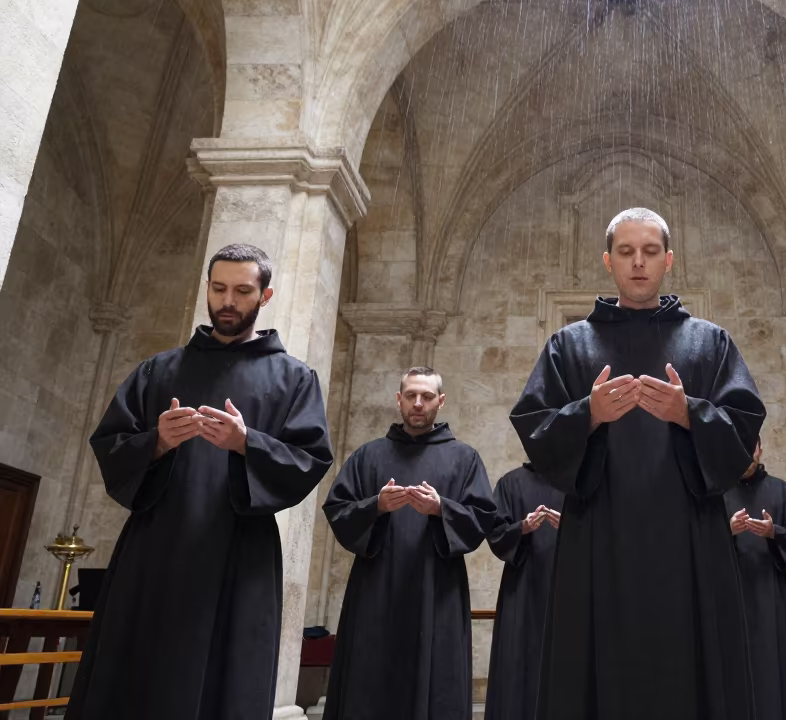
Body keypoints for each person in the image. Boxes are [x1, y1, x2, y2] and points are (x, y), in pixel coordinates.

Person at [510, 207, 766, 720]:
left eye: (650, 252)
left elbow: (746, 425)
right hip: (598, 533)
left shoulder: (709, 342)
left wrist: (689, 413)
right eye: (626, 252)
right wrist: (589, 413)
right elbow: (533, 427)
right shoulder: (569, 344)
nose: (639, 263)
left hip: (689, 536)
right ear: (608, 261)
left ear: (669, 260)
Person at [69, 244, 333, 720]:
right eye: (218, 288)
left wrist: (248, 443)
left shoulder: (295, 379)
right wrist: (156, 442)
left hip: (239, 550)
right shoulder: (158, 370)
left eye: (242, 290)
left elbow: (310, 458)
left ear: (265, 295)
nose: (228, 300)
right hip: (155, 551)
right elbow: (109, 443)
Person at [321, 366, 495, 720]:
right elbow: (338, 510)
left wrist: (441, 508)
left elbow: (483, 519)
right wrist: (377, 506)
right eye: (411, 395)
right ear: (398, 400)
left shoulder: (465, 459)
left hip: (437, 589)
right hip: (375, 589)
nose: (418, 403)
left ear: (441, 401)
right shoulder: (367, 457)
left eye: (427, 396)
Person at [725, 440, 786, 720]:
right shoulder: (715, 495)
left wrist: (774, 532)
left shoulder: (783, 492)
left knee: (778, 668)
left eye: (750, 447)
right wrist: (726, 532)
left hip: (773, 594)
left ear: (760, 449)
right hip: (732, 598)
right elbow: (696, 547)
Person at [485, 463, 564, 720]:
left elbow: (605, 530)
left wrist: (573, 531)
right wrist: (521, 528)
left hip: (569, 590)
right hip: (522, 587)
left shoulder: (578, 479)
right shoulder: (510, 483)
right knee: (518, 666)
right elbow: (495, 533)